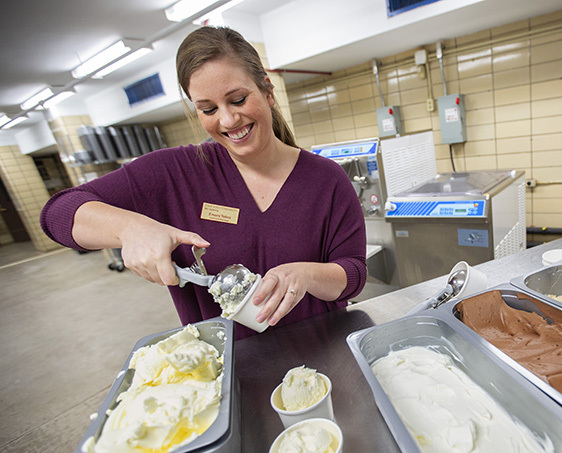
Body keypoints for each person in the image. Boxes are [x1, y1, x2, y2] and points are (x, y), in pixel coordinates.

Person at [40, 26, 367, 339]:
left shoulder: (325, 180)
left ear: (267, 91)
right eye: (208, 109)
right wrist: (129, 228)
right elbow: (57, 213)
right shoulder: (174, 173)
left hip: (321, 359)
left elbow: (353, 274)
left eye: (238, 100)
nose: (227, 120)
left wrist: (307, 275)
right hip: (229, 373)